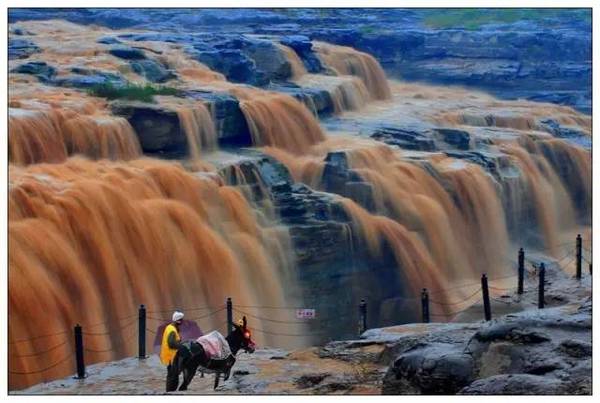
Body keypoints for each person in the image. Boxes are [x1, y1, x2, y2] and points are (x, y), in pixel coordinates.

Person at [160, 310, 184, 392]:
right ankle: (170, 393)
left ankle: (170, 392)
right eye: (181, 320)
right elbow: (171, 344)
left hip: (168, 356)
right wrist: (182, 346)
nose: (182, 321)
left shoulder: (170, 327)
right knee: (173, 377)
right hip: (172, 357)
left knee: (171, 375)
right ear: (178, 320)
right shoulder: (172, 331)